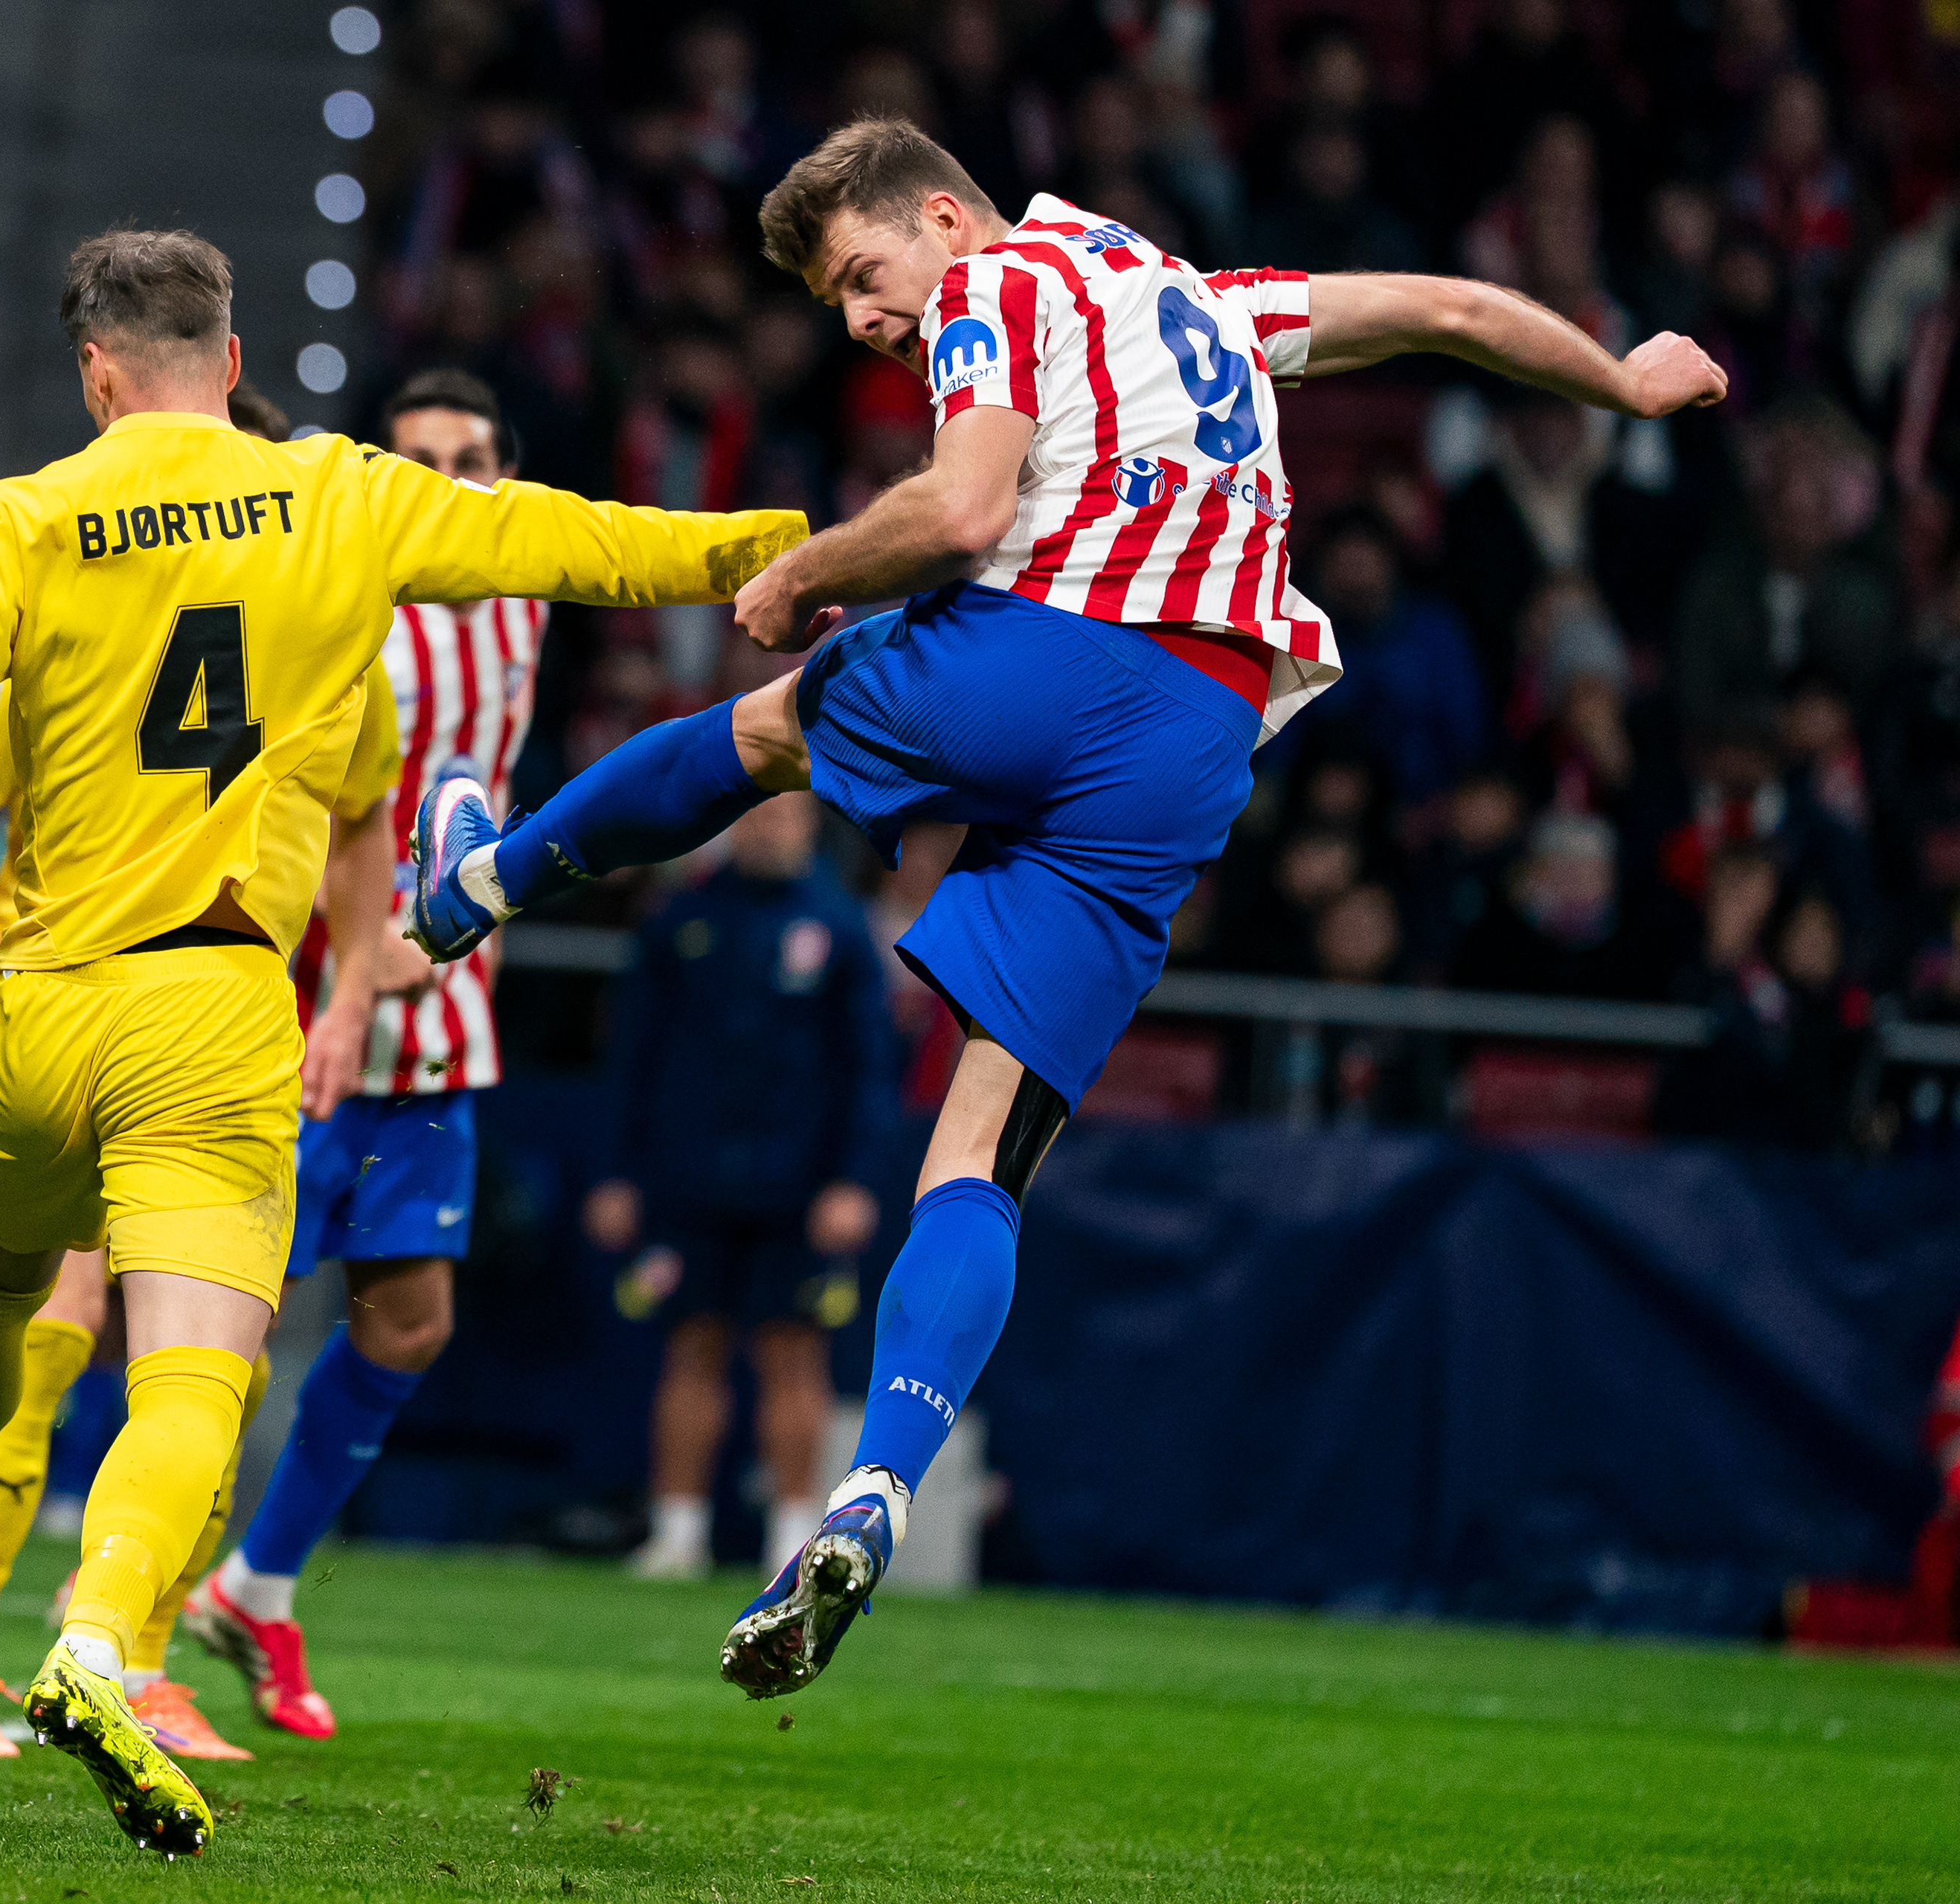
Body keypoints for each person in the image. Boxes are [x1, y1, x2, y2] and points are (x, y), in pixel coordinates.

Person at [0, 227, 800, 1856]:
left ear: (96, 374)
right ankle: (97, 1638)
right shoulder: (343, 496)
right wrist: (803, 548)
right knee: (196, 1373)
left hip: (34, 1010)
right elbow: (589, 544)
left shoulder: (32, 518)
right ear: (233, 363)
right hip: (212, 1014)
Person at [404, 116, 1728, 1696]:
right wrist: (1621, 381)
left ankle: (479, 881)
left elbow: (965, 512)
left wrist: (808, 572)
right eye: (838, 302)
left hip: (1060, 651)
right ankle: (875, 1489)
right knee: (979, 1150)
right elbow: (1445, 308)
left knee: (761, 730)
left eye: (863, 274)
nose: (862, 320)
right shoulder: (1209, 300)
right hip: (1195, 738)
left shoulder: (997, 284)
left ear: (944, 217)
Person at [0, 382, 342, 1766]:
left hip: (220, 1038)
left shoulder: (326, 629)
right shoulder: (79, 597)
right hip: (71, 1020)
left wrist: (354, 994)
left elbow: (364, 816)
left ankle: (135, 1663)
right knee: (60, 1321)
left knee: (218, 1361)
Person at [182, 367, 553, 1743]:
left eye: (472, 459)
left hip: (437, 1016)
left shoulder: (521, 594)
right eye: (418, 460)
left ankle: (256, 1588)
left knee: (409, 1320)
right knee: (225, 1321)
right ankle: (127, 1612)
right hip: (301, 998)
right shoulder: (335, 584)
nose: (447, 482)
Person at [584, 792, 892, 1581]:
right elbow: (633, 1054)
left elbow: (868, 1067)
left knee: (794, 1354)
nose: (768, 828)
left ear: (809, 824)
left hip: (799, 1186)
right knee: (691, 1347)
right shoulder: (681, 918)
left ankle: (792, 1537)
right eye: (756, 815)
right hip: (689, 1176)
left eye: (783, 816)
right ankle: (677, 1532)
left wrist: (853, 1179)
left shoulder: (839, 925)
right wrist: (619, 1170)